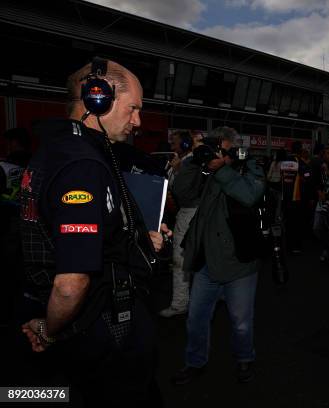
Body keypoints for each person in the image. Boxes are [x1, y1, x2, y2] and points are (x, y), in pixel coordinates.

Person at [18, 58, 171, 407]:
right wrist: (49, 329)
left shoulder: (58, 150)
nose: (138, 122)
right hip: (100, 331)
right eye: (133, 108)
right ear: (98, 98)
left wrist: (138, 240)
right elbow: (72, 284)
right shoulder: (82, 165)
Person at [173, 126, 265, 385]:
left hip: (239, 262)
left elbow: (250, 195)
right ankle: (194, 363)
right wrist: (194, 161)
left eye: (219, 149)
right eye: (212, 149)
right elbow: (182, 193)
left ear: (233, 151)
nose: (214, 154)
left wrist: (221, 169)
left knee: (241, 322)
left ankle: (245, 359)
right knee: (196, 319)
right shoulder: (205, 170)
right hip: (206, 261)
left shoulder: (249, 167)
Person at [160, 130, 202, 317]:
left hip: (190, 212)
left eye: (174, 143)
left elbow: (180, 191)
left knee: (180, 258)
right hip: (188, 213)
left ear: (185, 145)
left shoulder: (190, 163)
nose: (171, 147)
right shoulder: (182, 161)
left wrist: (177, 170)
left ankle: (180, 303)